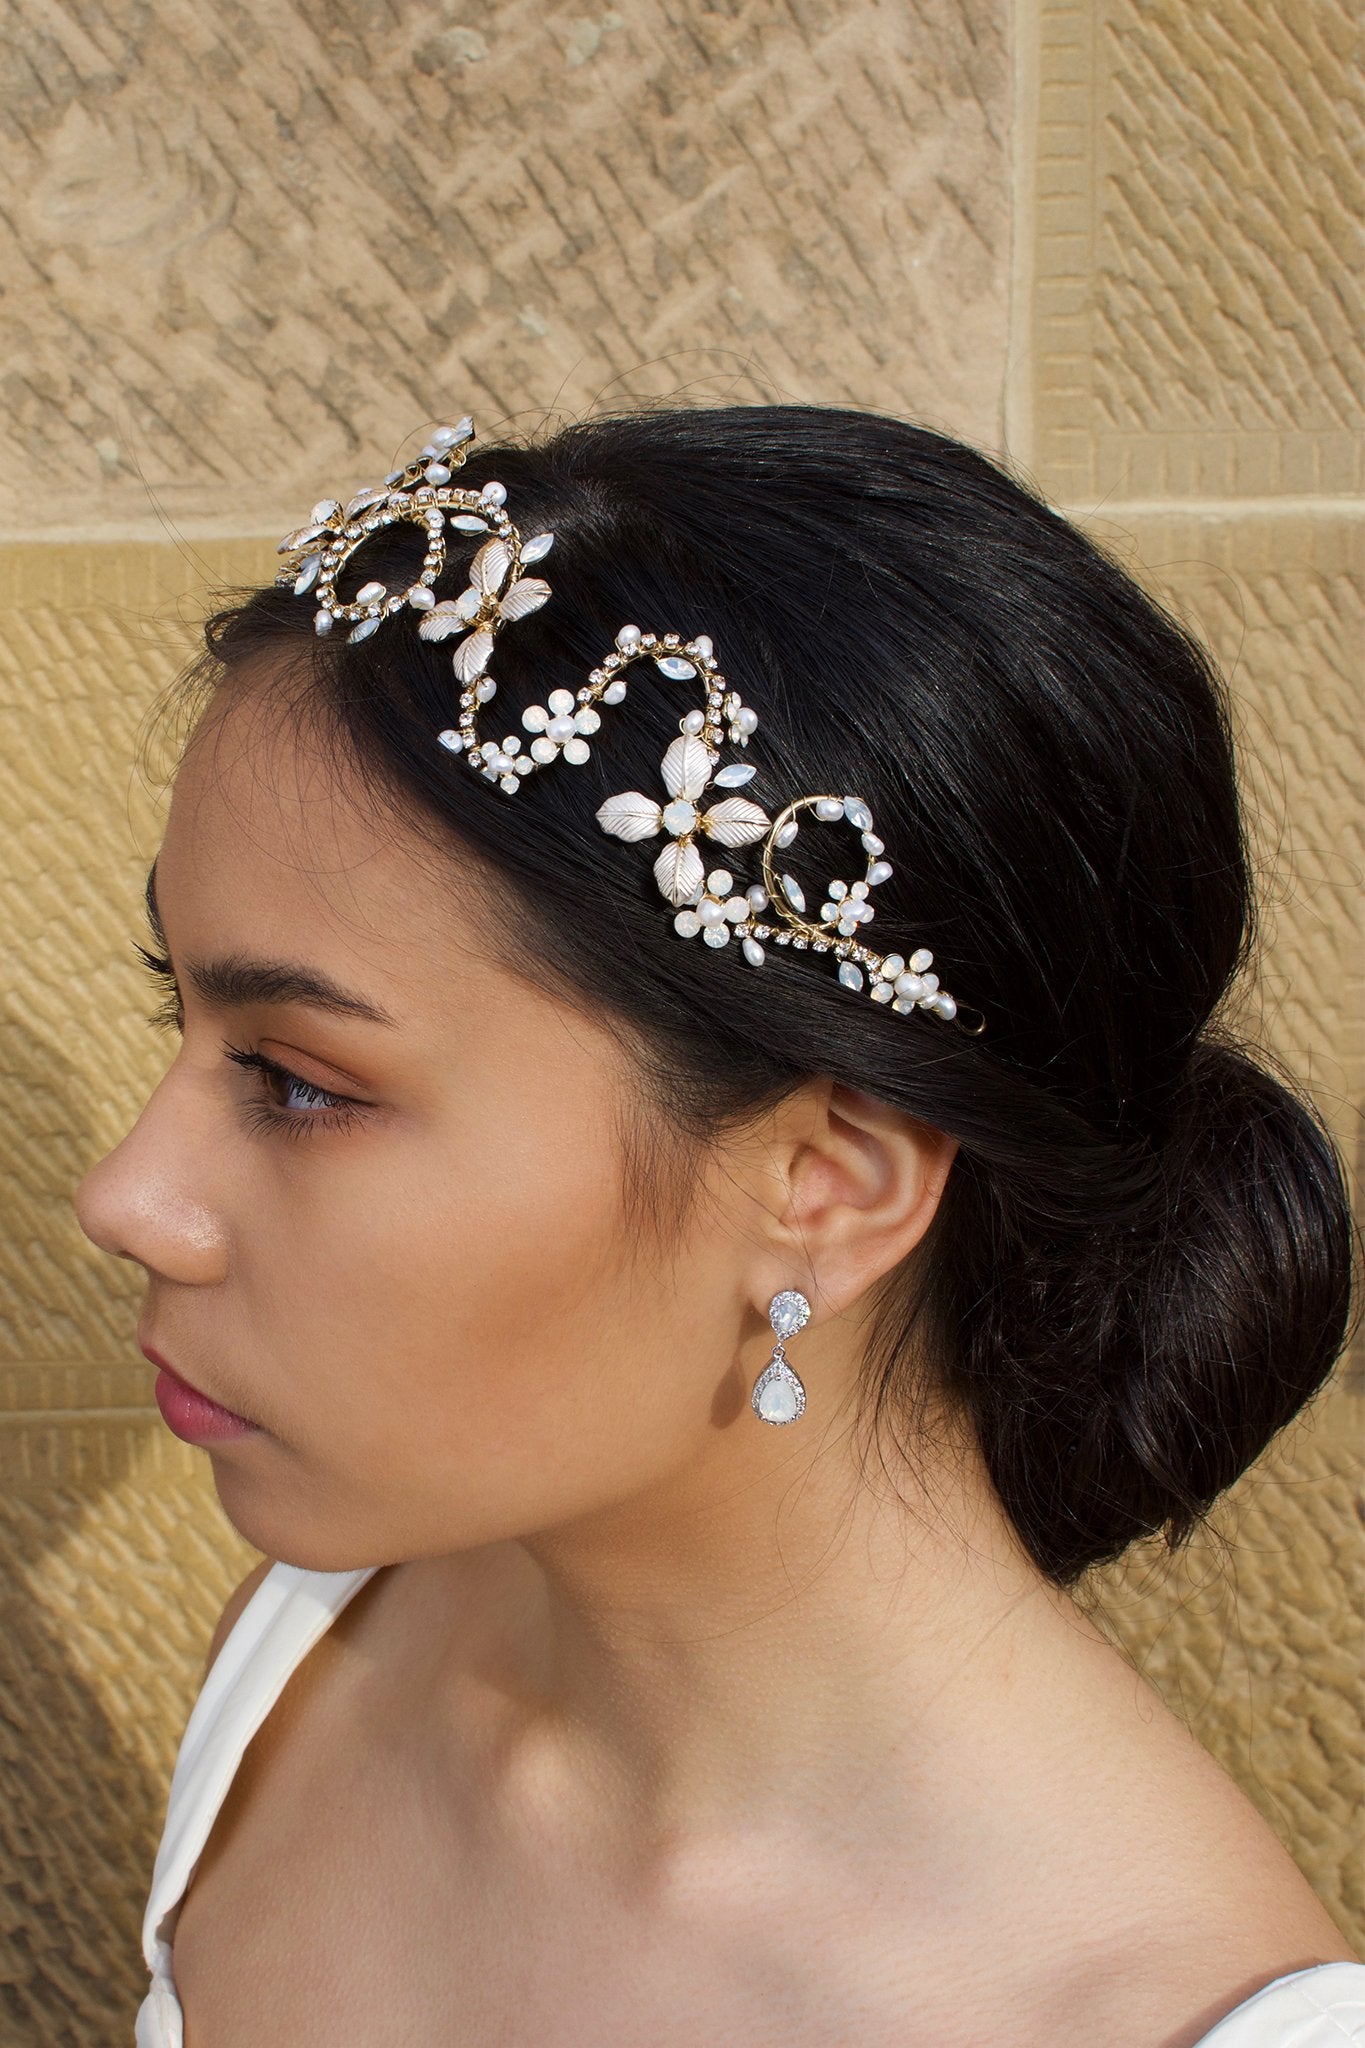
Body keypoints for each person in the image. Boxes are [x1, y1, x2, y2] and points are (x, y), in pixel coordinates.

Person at [75, 405, 1363, 2047]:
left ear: (825, 1182)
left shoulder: (1149, 2011)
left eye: (302, 1083)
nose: (127, 1198)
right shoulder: (317, 1656)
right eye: (174, 1013)